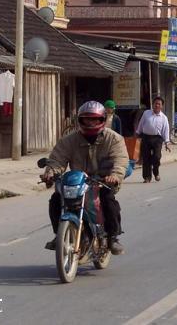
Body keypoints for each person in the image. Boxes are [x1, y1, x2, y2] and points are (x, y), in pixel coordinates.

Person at [41, 101, 128, 255]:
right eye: (86, 119)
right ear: (80, 120)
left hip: (103, 181)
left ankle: (113, 237)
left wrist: (115, 175)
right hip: (77, 182)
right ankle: (59, 235)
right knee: (56, 200)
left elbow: (120, 160)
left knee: (108, 201)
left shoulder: (114, 139)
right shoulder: (69, 140)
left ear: (103, 120)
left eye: (94, 119)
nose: (90, 123)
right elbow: (57, 159)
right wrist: (50, 172)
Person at [136, 96, 170, 183]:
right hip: (146, 137)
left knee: (157, 157)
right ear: (153, 104)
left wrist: (167, 142)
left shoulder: (164, 118)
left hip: (157, 139)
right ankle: (147, 177)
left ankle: (156, 172)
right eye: (155, 103)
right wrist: (137, 132)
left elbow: (166, 130)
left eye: (159, 104)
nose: (157, 105)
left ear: (162, 106)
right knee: (146, 158)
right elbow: (141, 123)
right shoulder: (146, 113)